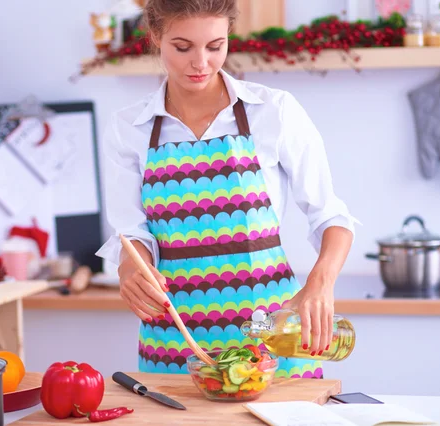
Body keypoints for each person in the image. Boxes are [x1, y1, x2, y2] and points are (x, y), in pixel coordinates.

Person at [96, 0, 359, 378]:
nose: (200, 62)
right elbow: (131, 233)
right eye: (182, 47)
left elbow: (331, 215)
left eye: (215, 46)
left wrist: (321, 282)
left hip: (272, 335)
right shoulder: (128, 128)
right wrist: (130, 270)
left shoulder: (274, 111)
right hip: (175, 342)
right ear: (155, 38)